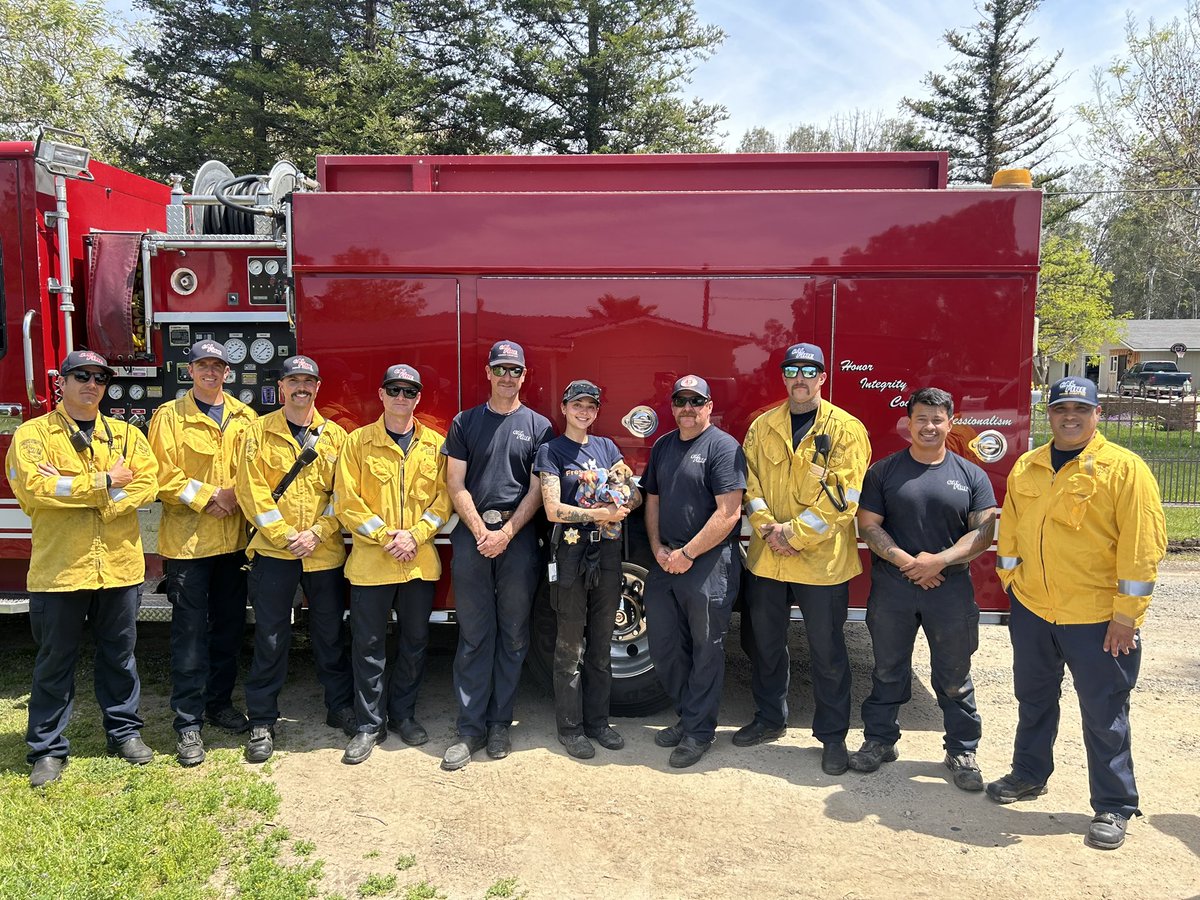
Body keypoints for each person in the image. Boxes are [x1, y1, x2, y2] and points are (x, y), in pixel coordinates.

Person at [989, 376, 1166, 851]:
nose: (1070, 416)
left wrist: (1126, 616)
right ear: (1049, 414)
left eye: (1080, 409)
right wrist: (1012, 583)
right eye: (1061, 408)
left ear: (1097, 414)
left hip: (1096, 618)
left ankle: (1113, 804)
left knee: (1105, 712)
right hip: (1033, 611)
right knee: (1034, 699)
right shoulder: (1029, 465)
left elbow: (1141, 548)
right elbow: (1010, 530)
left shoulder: (1124, 469)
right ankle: (1028, 774)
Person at [7, 350, 159, 787]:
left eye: (100, 377)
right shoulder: (33, 435)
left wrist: (84, 493)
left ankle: (124, 733)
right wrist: (105, 481)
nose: (92, 384)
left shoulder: (127, 434)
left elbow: (147, 483)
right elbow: (35, 488)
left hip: (118, 567)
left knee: (120, 655)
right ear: (61, 382)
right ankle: (47, 750)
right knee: (55, 660)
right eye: (81, 376)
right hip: (61, 569)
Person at [849, 387, 997, 790]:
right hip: (894, 586)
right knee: (886, 669)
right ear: (907, 424)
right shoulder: (883, 472)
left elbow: (984, 531)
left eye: (937, 419)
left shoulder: (971, 475)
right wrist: (908, 562)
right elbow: (868, 525)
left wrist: (940, 561)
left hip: (950, 590)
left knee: (954, 675)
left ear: (950, 423)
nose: (929, 426)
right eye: (921, 419)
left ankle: (961, 749)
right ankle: (880, 740)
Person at [738, 342, 870, 776]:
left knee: (828, 651)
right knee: (765, 644)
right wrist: (768, 531)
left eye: (809, 371)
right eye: (792, 370)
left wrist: (792, 536)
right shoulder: (762, 427)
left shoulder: (847, 430)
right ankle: (769, 718)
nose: (800, 378)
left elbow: (844, 498)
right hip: (768, 559)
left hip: (821, 563)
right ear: (783, 377)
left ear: (823, 377)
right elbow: (749, 485)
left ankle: (833, 738)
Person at [440, 340, 554, 771]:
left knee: (514, 634)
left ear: (524, 376)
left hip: (518, 538)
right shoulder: (465, 422)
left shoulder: (539, 426)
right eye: (500, 369)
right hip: (473, 536)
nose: (508, 377)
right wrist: (481, 531)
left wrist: (505, 532)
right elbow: (456, 485)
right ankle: (469, 729)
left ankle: (500, 724)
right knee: (473, 635)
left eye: (515, 370)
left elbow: (538, 488)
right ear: (487, 372)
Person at [235, 355, 354, 763]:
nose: (301, 387)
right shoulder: (256, 433)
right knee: (270, 638)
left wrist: (317, 532)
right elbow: (251, 492)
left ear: (317, 388)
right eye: (293, 380)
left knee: (330, 635)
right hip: (274, 552)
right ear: (281, 387)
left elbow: (346, 496)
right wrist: (286, 535)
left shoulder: (335, 436)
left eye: (308, 381)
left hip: (323, 553)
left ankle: (339, 707)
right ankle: (263, 720)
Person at [334, 364, 452, 764]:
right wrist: (388, 537)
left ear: (419, 398)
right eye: (394, 390)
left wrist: (414, 536)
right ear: (381, 395)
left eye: (410, 391)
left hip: (418, 563)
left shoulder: (436, 446)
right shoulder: (357, 443)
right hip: (372, 563)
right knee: (368, 646)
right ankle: (369, 725)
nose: (402, 397)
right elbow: (347, 502)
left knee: (415, 643)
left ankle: (403, 715)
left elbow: (444, 500)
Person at [148, 339, 258, 767]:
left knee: (229, 629)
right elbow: (161, 473)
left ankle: (219, 704)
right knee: (189, 636)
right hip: (188, 544)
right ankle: (188, 722)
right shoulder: (169, 418)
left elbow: (253, 470)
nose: (211, 372)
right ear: (189, 371)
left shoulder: (245, 417)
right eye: (203, 366)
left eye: (218, 366)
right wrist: (212, 495)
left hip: (233, 543)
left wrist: (234, 495)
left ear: (228, 373)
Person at [535, 380, 641, 760]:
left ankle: (599, 722)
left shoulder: (607, 447)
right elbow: (552, 510)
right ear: (564, 408)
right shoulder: (551, 451)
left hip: (608, 555)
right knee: (570, 645)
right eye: (577, 404)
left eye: (591, 406)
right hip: (570, 557)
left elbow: (632, 491)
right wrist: (598, 513)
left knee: (601, 643)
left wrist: (625, 493)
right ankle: (571, 727)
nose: (585, 411)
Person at [643, 375, 745, 768]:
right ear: (672, 406)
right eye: (680, 400)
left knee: (706, 650)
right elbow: (652, 499)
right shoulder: (664, 445)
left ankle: (700, 731)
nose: (687, 407)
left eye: (695, 401)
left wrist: (687, 552)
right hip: (666, 560)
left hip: (708, 562)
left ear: (709, 405)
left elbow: (729, 512)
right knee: (666, 647)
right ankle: (686, 717)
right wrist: (657, 547)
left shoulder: (723, 447)